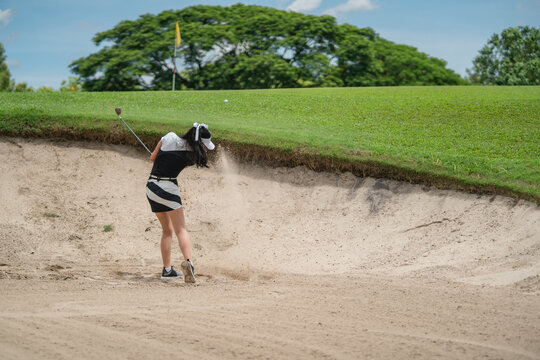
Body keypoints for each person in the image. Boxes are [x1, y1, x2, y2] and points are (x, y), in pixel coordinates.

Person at [146, 123, 215, 283]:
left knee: (167, 230)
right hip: (168, 189)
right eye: (203, 145)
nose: (204, 148)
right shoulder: (192, 156)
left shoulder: (168, 137)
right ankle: (189, 263)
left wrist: (160, 157)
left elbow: (152, 158)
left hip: (151, 188)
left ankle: (167, 270)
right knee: (181, 229)